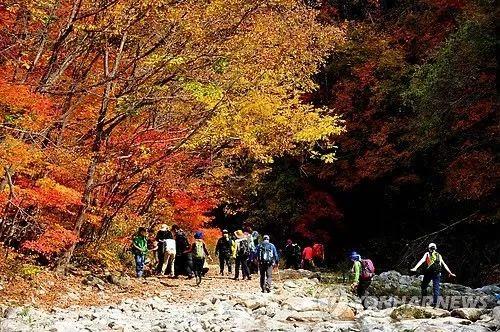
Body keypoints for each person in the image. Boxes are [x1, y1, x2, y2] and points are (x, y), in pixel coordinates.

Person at [411, 243, 456, 307]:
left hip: (429, 272)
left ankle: (423, 303)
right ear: (435, 248)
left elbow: (422, 261)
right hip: (437, 273)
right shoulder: (439, 255)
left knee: (424, 286)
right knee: (436, 288)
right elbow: (444, 264)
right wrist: (450, 273)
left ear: (429, 248)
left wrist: (415, 268)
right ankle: (435, 304)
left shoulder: (427, 254)